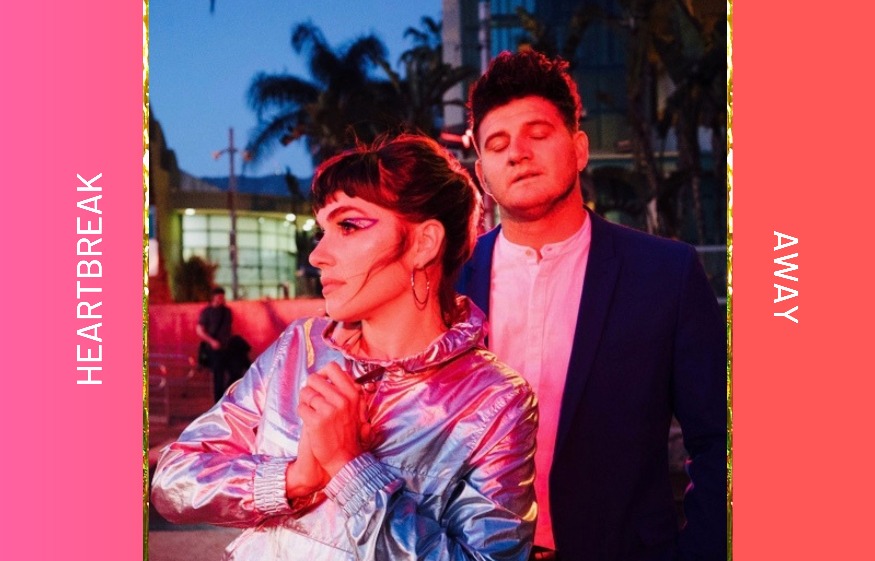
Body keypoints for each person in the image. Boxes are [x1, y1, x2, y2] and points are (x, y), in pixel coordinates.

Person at [152, 134, 538, 561]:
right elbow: (172, 481)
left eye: (349, 226)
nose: (317, 255)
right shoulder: (300, 348)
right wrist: (295, 479)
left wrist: (350, 467)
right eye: (323, 230)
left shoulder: (496, 400)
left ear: (424, 243)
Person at [457, 51, 726, 560]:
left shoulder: (665, 274)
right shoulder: (449, 282)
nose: (517, 153)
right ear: (482, 174)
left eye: (538, 133)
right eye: (498, 144)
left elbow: (719, 441)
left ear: (579, 149)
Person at [196, 286, 234, 402]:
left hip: (227, 347)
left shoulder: (227, 311)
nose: (221, 299)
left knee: (235, 371)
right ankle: (218, 401)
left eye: (223, 297)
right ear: (214, 297)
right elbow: (199, 330)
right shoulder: (207, 312)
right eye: (219, 297)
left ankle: (227, 396)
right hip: (214, 349)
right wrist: (212, 341)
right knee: (218, 375)